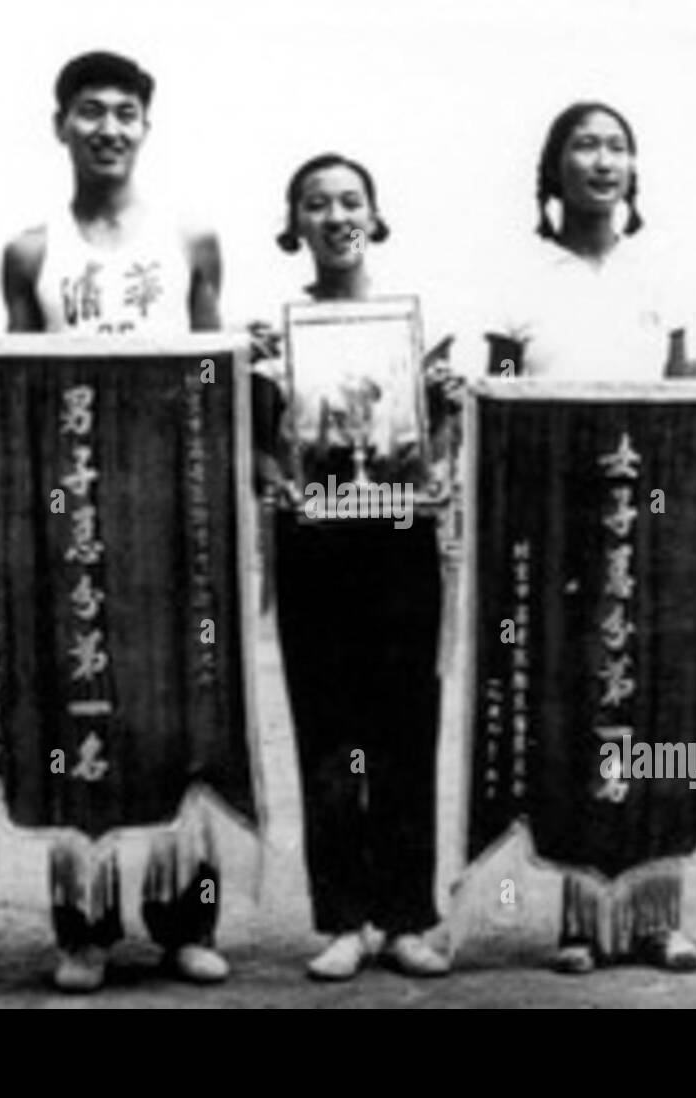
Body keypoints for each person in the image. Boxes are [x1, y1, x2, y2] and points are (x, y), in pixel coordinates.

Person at [0, 50, 228, 992]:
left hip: (173, 508)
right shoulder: (30, 250)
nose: (107, 128)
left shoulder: (192, 240)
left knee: (179, 705)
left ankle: (184, 920)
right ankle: (83, 925)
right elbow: (12, 388)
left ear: (145, 126)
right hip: (72, 511)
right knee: (77, 705)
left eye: (125, 112)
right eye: (88, 111)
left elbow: (220, 373)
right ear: (59, 125)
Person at [486, 101, 696, 974]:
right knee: (572, 709)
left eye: (618, 145)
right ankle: (579, 916)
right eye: (585, 144)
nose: (602, 160)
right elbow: (494, 409)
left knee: (653, 709)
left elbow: (683, 407)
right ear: (555, 168)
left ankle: (658, 914)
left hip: (647, 529)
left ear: (633, 169)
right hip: (555, 527)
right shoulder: (518, 277)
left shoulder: (664, 272)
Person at [253, 153, 460, 980]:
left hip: (400, 544)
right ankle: (343, 919)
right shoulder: (274, 335)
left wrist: (442, 415)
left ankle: (408, 916)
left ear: (374, 217)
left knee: (407, 728)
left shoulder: (413, 329)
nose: (336, 217)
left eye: (350, 202)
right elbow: (259, 456)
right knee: (331, 735)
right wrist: (282, 487)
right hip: (317, 551)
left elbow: (441, 447)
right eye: (316, 204)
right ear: (294, 223)